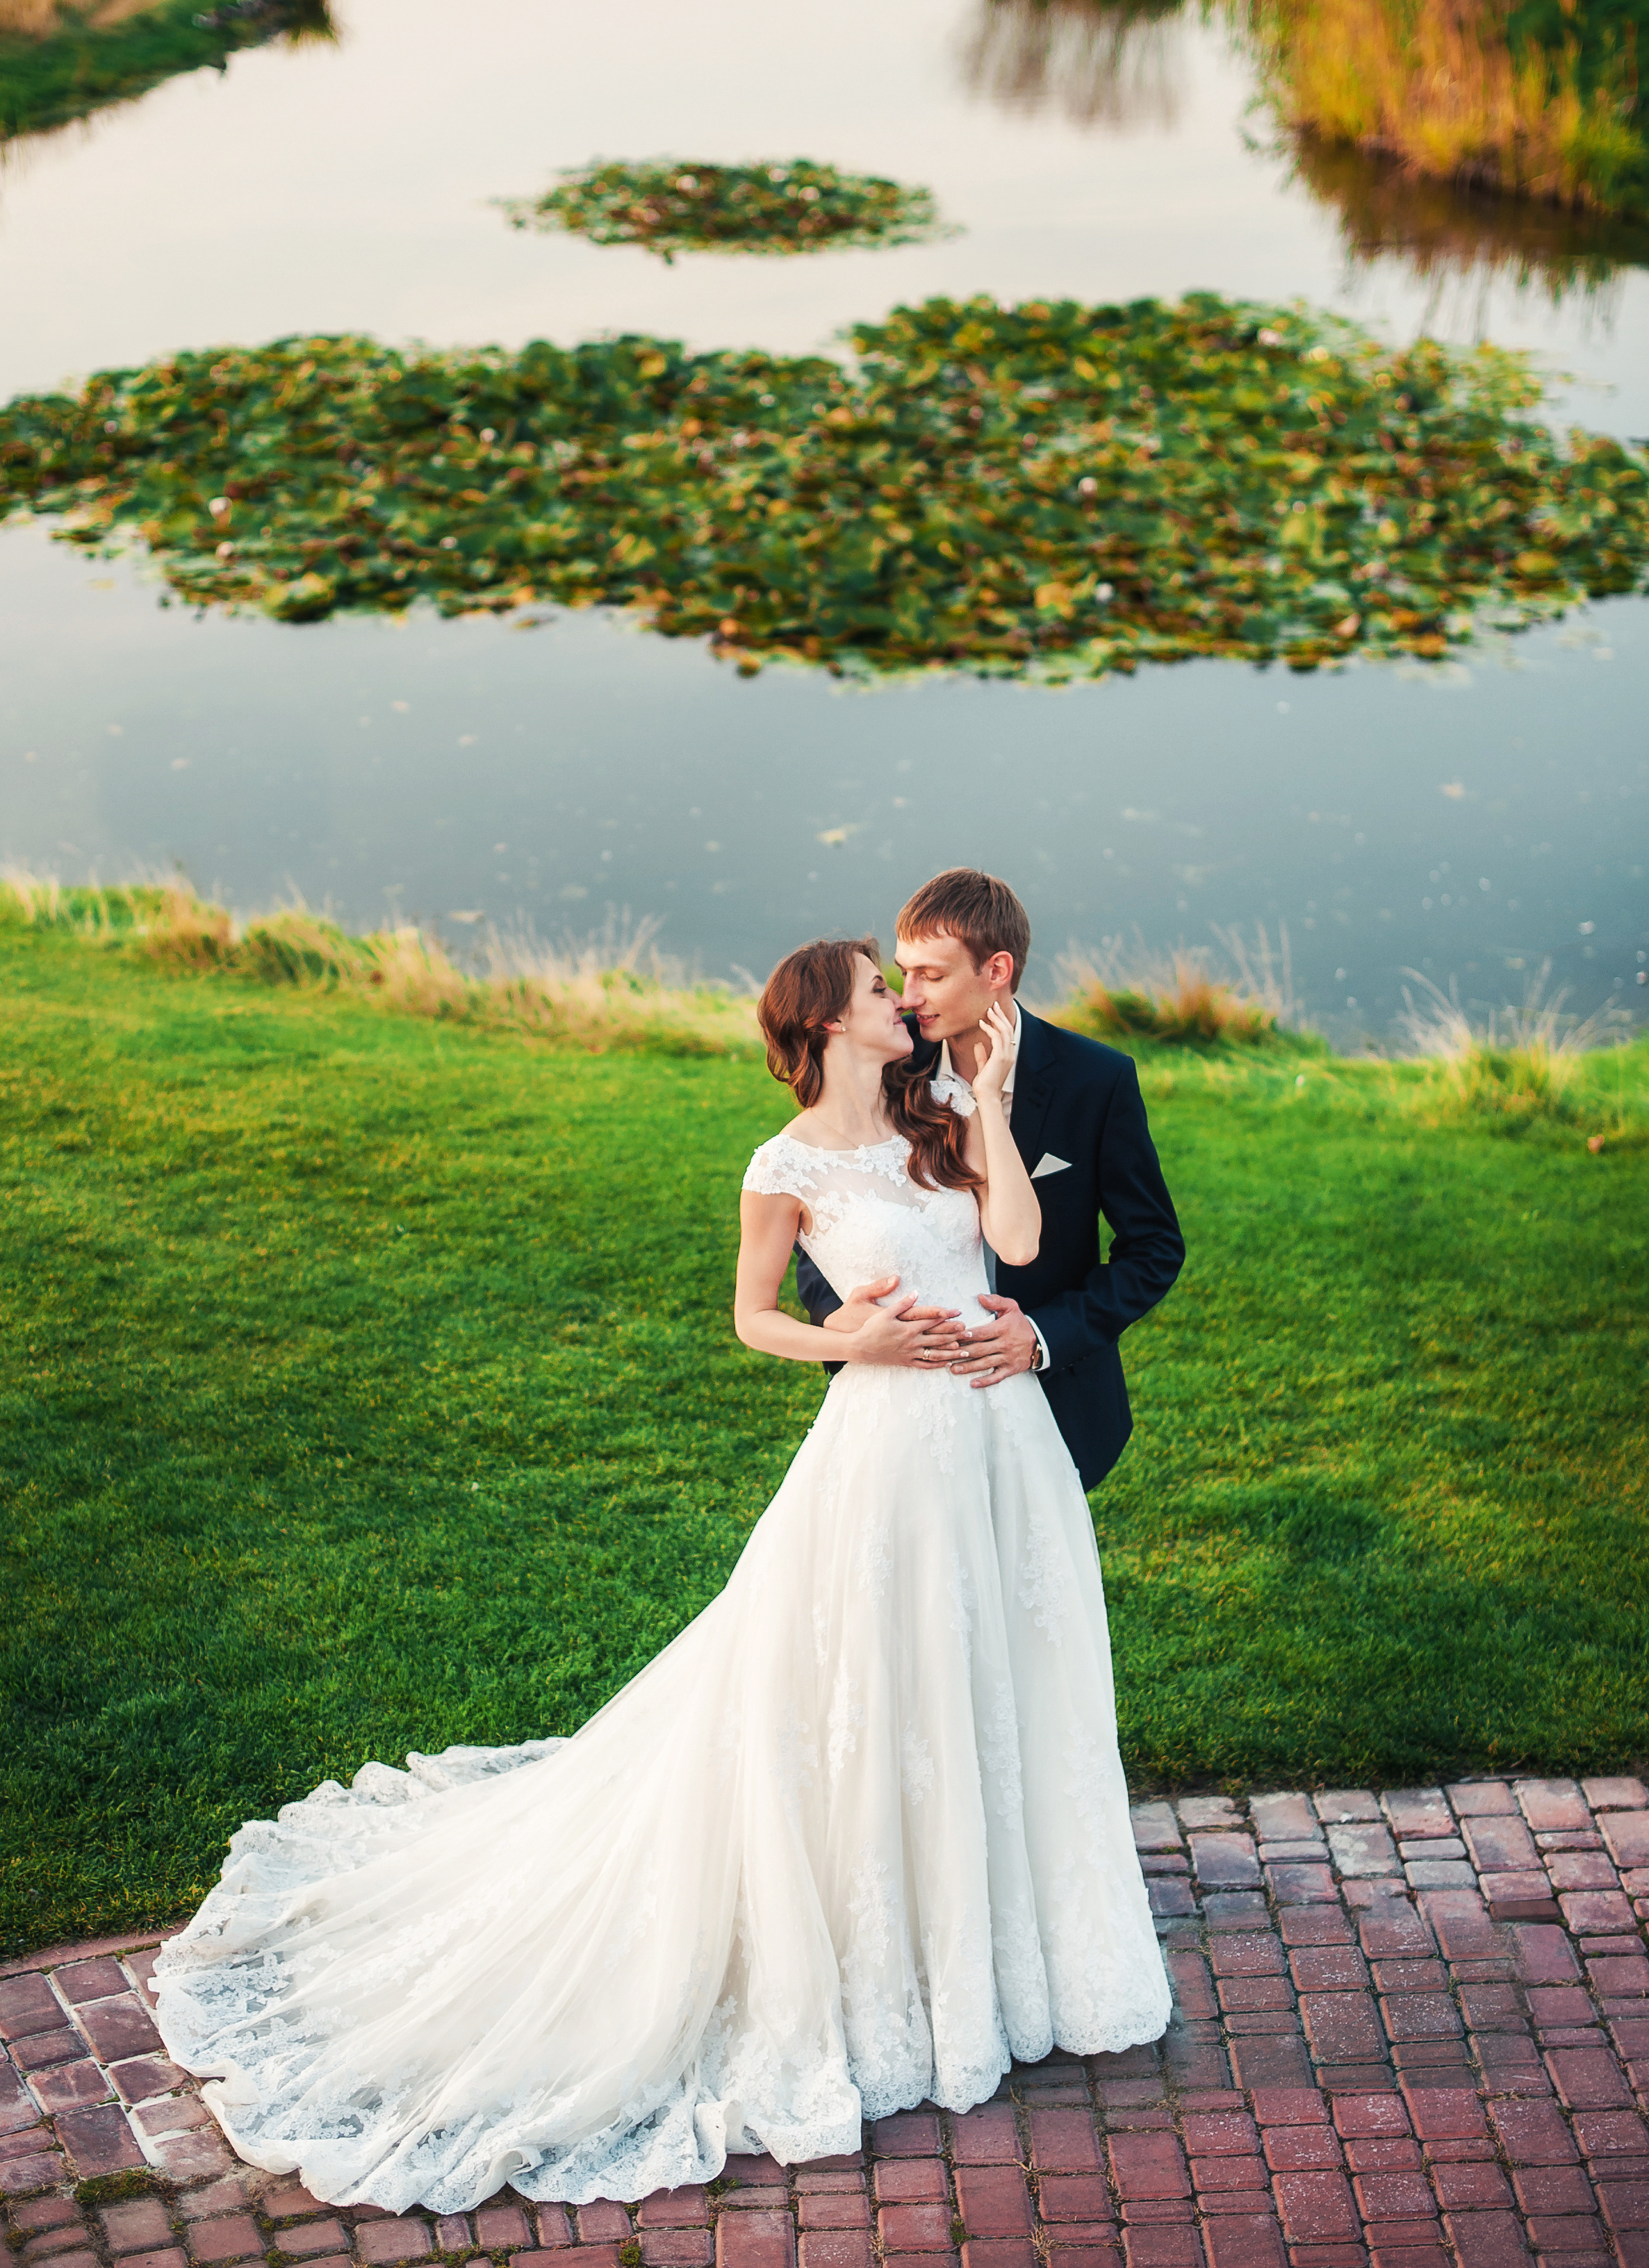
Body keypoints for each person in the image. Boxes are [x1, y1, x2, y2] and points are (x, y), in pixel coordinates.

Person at [153, 927, 1174, 2222]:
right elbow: (754, 1315)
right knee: (877, 1678)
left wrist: (998, 1109)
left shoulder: (950, 1113)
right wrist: (844, 1336)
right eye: (880, 992)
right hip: (885, 1441)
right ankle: (888, 1952)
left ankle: (1008, 1936)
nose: (903, 1006)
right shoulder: (783, 1164)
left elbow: (1021, 1248)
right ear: (824, 1024)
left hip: (1000, 1440)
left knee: (1005, 1668)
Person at [798, 869, 1184, 1491]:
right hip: (902, 1400)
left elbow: (1154, 1249)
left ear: (996, 971)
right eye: (903, 971)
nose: (907, 995)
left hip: (1049, 1395)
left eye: (932, 974)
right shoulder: (888, 1070)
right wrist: (846, 1318)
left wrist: (1039, 1336)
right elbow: (824, 1215)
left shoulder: (1096, 1081)